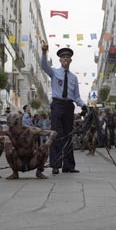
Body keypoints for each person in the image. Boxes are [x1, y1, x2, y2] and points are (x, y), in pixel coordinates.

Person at [40, 41, 87, 174]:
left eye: (68, 57)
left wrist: (84, 106)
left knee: (68, 135)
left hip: (68, 106)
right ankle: (55, 164)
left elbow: (76, 96)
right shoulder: (54, 72)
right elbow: (43, 66)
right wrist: (44, 52)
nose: (66, 59)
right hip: (57, 105)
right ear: (60, 60)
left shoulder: (73, 78)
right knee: (55, 134)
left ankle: (68, 166)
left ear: (70, 60)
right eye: (63, 57)